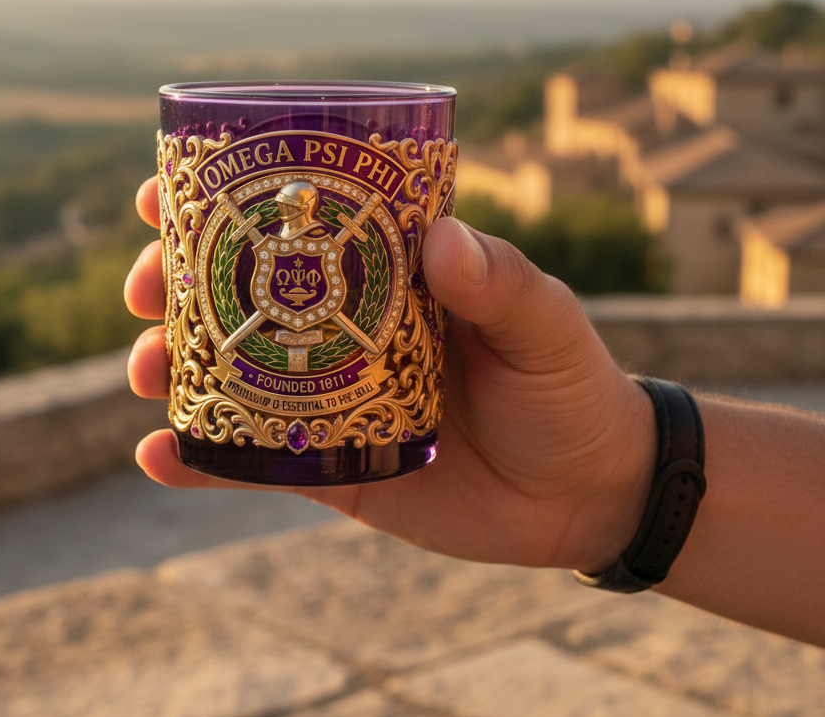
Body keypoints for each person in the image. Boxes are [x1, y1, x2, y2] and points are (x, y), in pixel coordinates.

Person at [125, 176, 825, 647]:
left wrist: (615, 488)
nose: (297, 227)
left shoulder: (299, 244)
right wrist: (616, 481)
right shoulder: (288, 244)